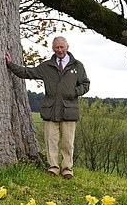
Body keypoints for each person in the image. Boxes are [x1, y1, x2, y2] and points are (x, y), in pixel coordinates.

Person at [5, 36, 90, 179]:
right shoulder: (47, 66)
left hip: (69, 110)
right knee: (51, 141)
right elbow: (27, 72)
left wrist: (74, 92)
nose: (60, 50)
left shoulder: (77, 66)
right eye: (57, 47)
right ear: (53, 48)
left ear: (67, 47)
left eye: (62, 47)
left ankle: (67, 169)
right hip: (50, 110)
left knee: (67, 143)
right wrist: (10, 65)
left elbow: (85, 84)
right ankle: (53, 168)